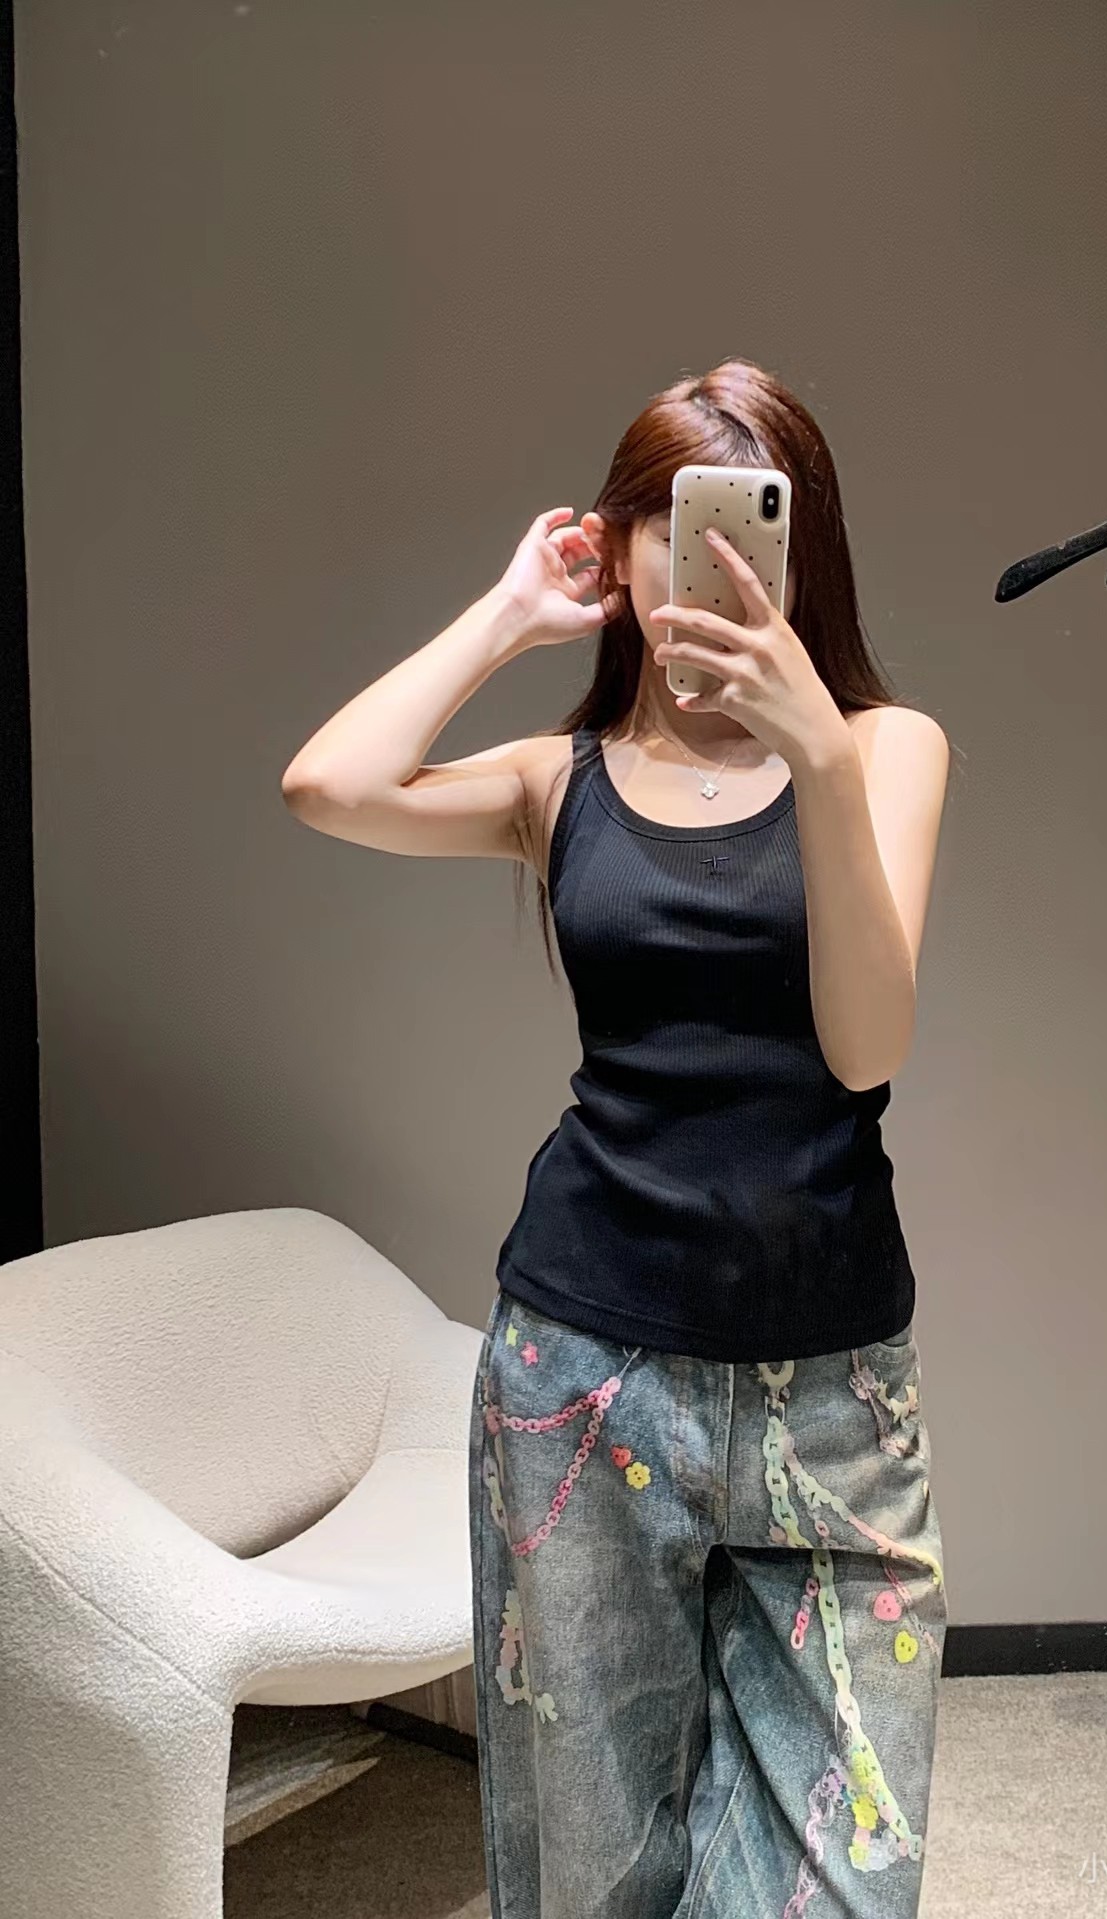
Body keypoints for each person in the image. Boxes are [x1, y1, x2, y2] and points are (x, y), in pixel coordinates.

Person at [281, 358, 954, 1918]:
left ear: (802, 550)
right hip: (583, 1369)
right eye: (668, 528)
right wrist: (510, 614)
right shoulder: (557, 780)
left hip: (833, 1389)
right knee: (590, 1865)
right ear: (621, 546)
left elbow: (867, 1048)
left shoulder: (883, 750)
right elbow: (328, 784)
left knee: (844, 1877)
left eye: (746, 526)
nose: (707, 565)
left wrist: (817, 754)